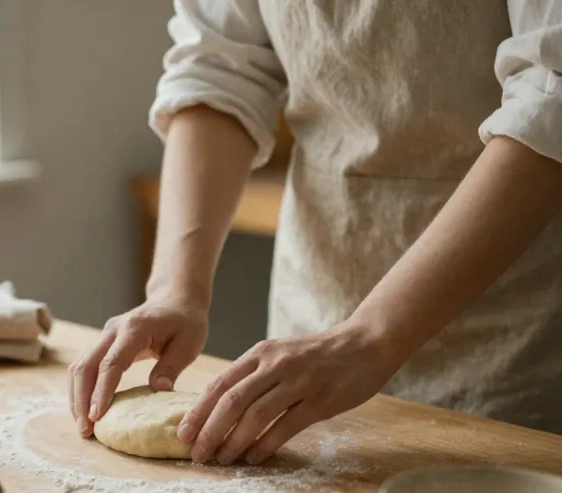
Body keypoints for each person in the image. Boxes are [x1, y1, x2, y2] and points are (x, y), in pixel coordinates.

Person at [69, 2, 562, 461]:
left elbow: (551, 90)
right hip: (314, 307)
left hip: (512, 333)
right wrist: (176, 290)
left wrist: (370, 337)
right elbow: (219, 69)